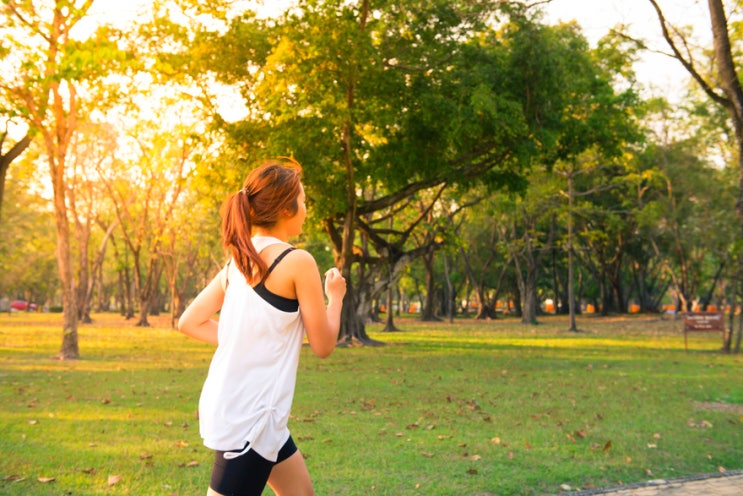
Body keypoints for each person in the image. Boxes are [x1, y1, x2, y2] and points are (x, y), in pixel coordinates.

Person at [178, 157, 346, 496]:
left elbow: (189, 322)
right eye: (302, 200)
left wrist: (244, 340)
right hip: (250, 419)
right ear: (286, 208)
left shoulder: (238, 261)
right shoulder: (298, 261)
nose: (306, 208)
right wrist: (336, 297)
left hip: (258, 414)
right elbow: (324, 344)